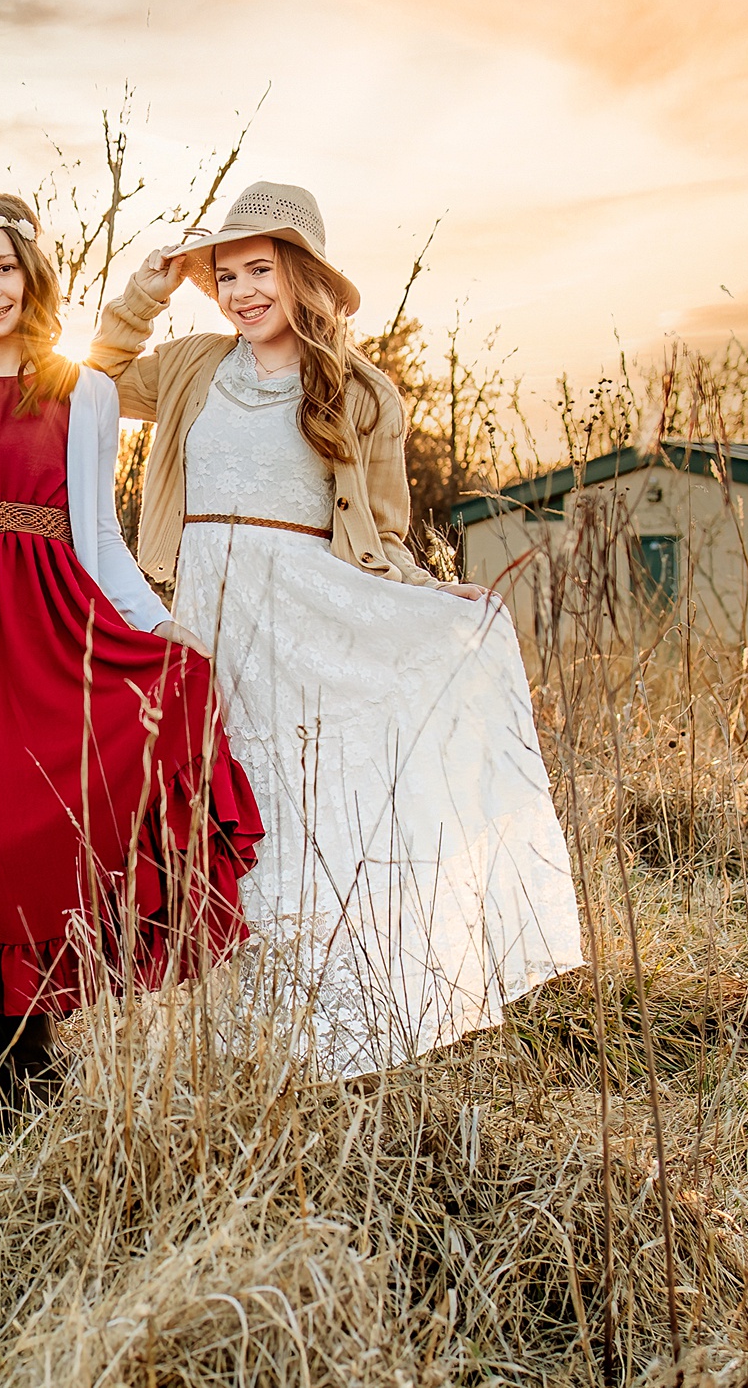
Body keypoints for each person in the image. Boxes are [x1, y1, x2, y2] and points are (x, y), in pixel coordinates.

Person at [88, 181, 587, 1078]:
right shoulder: (196, 363)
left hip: (309, 612)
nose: (242, 292)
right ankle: (230, 1036)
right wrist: (147, 290)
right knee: (221, 799)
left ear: (303, 277)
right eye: (227, 274)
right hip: (208, 614)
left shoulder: (362, 391)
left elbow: (383, 535)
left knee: (302, 803)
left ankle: (330, 1034)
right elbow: (94, 384)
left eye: (261, 272)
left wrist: (433, 604)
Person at [0, 194, 261, 1120]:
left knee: (34, 840)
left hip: (54, 634)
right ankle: (0, 1083)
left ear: (32, 276)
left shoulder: (82, 393)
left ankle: (34, 1069)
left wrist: (161, 633)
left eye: (4, 269)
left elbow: (99, 539)